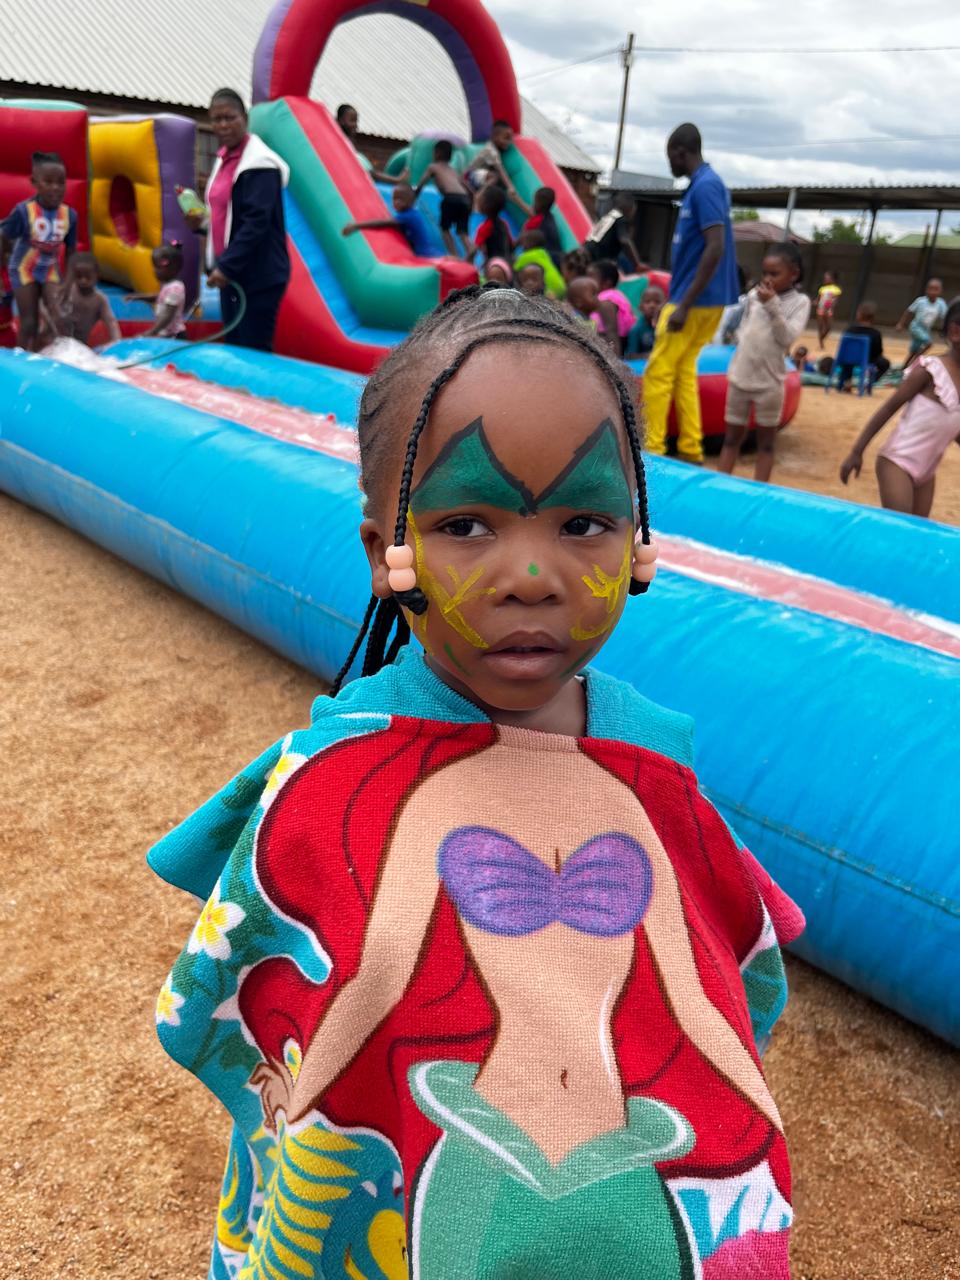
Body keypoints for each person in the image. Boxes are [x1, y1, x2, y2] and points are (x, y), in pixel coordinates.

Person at [150, 284, 803, 1280]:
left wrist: (747, 1143)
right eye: (467, 525)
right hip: (431, 1188)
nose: (531, 572)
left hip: (627, 1182)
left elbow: (710, 992)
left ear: (640, 544)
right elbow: (321, 1002)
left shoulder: (656, 767)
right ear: (387, 552)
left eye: (584, 522)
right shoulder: (332, 787)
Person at [643, 123, 738, 462]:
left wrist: (683, 303)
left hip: (694, 300)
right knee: (683, 371)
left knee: (658, 373)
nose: (669, 164)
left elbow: (715, 247)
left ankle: (651, 450)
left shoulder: (706, 187)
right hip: (700, 298)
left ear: (681, 152)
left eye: (670, 156)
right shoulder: (704, 185)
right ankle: (691, 448)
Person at [186, 89, 290, 352]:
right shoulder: (225, 159)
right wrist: (201, 225)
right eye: (216, 119)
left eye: (229, 118)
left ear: (244, 118)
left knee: (253, 347)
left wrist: (227, 266)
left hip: (257, 274)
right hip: (231, 274)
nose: (222, 125)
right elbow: (225, 216)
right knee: (235, 346)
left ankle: (258, 394)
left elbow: (255, 222)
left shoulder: (260, 163)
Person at [840, 298, 960, 517]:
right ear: (956, 332)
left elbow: (952, 425)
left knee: (918, 532)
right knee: (900, 526)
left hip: (927, 472)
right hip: (897, 462)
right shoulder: (930, 370)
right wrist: (856, 452)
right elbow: (888, 408)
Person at [717, 243, 811, 482]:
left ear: (794, 274)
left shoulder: (800, 302)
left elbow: (786, 337)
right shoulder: (753, 297)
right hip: (739, 378)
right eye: (765, 273)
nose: (768, 279)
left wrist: (771, 305)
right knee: (731, 439)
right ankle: (721, 486)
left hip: (769, 383)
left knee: (766, 444)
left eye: (775, 274)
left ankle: (760, 492)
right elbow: (744, 330)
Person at [0, 151, 78, 351]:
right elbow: (3, 236)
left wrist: (68, 282)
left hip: (48, 269)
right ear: (34, 182)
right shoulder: (23, 211)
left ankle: (52, 356)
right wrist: (2, 268)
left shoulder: (69, 214)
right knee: (29, 323)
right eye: (48, 182)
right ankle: (22, 362)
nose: (56, 188)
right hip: (23, 269)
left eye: (61, 183)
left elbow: (71, 250)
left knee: (61, 318)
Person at [343, 182, 435, 257]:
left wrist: (356, 225)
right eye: (394, 199)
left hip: (425, 254)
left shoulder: (408, 216)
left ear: (411, 201)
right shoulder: (408, 213)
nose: (396, 202)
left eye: (401, 199)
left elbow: (382, 223)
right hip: (426, 251)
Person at [415, 140, 474, 258]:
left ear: (437, 153)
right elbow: (469, 189)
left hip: (450, 198)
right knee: (463, 232)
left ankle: (454, 255)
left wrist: (414, 195)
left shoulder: (433, 167)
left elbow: (422, 183)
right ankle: (471, 250)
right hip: (464, 199)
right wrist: (471, 205)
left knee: (445, 229)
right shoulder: (453, 171)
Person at [464, 119, 531, 214]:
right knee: (496, 177)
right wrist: (510, 187)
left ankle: (526, 209)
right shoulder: (491, 150)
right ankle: (478, 197)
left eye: (511, 138)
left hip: (480, 178)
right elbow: (501, 171)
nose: (509, 142)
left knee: (498, 182)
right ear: (495, 137)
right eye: (506, 138)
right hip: (469, 177)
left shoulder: (497, 150)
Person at [58, 252, 120, 346]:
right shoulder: (69, 292)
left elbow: (110, 322)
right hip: (61, 341)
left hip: (81, 345)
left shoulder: (99, 300)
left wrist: (116, 341)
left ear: (96, 276)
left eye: (88, 277)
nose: (83, 280)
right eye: (79, 277)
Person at [127, 244, 188, 339]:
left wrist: (151, 332)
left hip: (174, 335)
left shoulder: (176, 287)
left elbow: (168, 315)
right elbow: (159, 297)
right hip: (165, 333)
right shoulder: (169, 285)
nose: (154, 271)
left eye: (157, 268)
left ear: (172, 268)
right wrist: (138, 297)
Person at [336, 103, 407, 184]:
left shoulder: (348, 141)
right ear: (341, 121)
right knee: (368, 173)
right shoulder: (338, 140)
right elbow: (362, 170)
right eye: (352, 120)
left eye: (356, 121)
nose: (355, 125)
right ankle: (396, 180)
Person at [835, 301, 890, 391]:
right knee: (885, 363)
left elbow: (843, 347)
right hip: (868, 359)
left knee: (849, 359)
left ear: (859, 314)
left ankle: (847, 381)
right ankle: (869, 382)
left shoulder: (849, 330)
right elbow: (878, 351)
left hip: (846, 359)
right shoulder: (875, 333)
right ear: (873, 317)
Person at [587, 259, 636, 356]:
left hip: (613, 346)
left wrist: (615, 362)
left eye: (591, 277)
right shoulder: (615, 295)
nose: (587, 281)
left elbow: (612, 333)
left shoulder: (606, 301)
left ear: (607, 283)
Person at [584, 193, 642, 272]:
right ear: (629, 208)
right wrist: (638, 264)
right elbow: (624, 241)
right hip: (596, 261)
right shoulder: (620, 219)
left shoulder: (607, 217)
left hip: (586, 254)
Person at [897, 278, 947, 368]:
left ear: (940, 291)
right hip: (915, 327)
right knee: (929, 344)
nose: (932, 292)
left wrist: (944, 329)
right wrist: (901, 324)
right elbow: (908, 311)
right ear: (926, 290)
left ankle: (904, 367)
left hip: (926, 330)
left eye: (936, 289)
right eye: (930, 288)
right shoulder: (920, 301)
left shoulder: (941, 304)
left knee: (913, 350)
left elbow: (944, 317)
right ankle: (915, 362)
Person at [512, 228, 566, 298]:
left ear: (530, 243)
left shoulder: (525, 257)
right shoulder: (543, 252)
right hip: (560, 285)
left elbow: (514, 269)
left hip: (549, 288)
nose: (522, 244)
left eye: (524, 241)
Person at [470, 184, 513, 265]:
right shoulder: (503, 224)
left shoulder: (484, 228)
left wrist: (464, 262)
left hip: (493, 265)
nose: (477, 199)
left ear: (485, 205)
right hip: (507, 263)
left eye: (480, 198)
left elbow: (474, 251)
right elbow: (511, 245)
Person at [522, 186, 563, 264]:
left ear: (539, 204)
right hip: (556, 257)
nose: (533, 204)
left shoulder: (537, 221)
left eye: (535, 201)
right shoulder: (551, 218)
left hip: (545, 259)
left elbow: (521, 240)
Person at [625, 285, 665, 357]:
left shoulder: (668, 327)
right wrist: (652, 356)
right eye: (647, 302)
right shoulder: (636, 330)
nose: (652, 305)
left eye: (657, 302)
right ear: (640, 306)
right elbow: (630, 356)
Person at [815, 270, 841, 348]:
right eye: (825, 278)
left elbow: (836, 299)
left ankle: (822, 337)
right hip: (821, 309)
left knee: (829, 327)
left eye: (827, 278)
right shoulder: (822, 288)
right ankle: (820, 342)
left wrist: (831, 305)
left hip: (829, 310)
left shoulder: (836, 289)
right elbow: (818, 299)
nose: (825, 279)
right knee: (820, 326)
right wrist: (815, 302)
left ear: (832, 279)